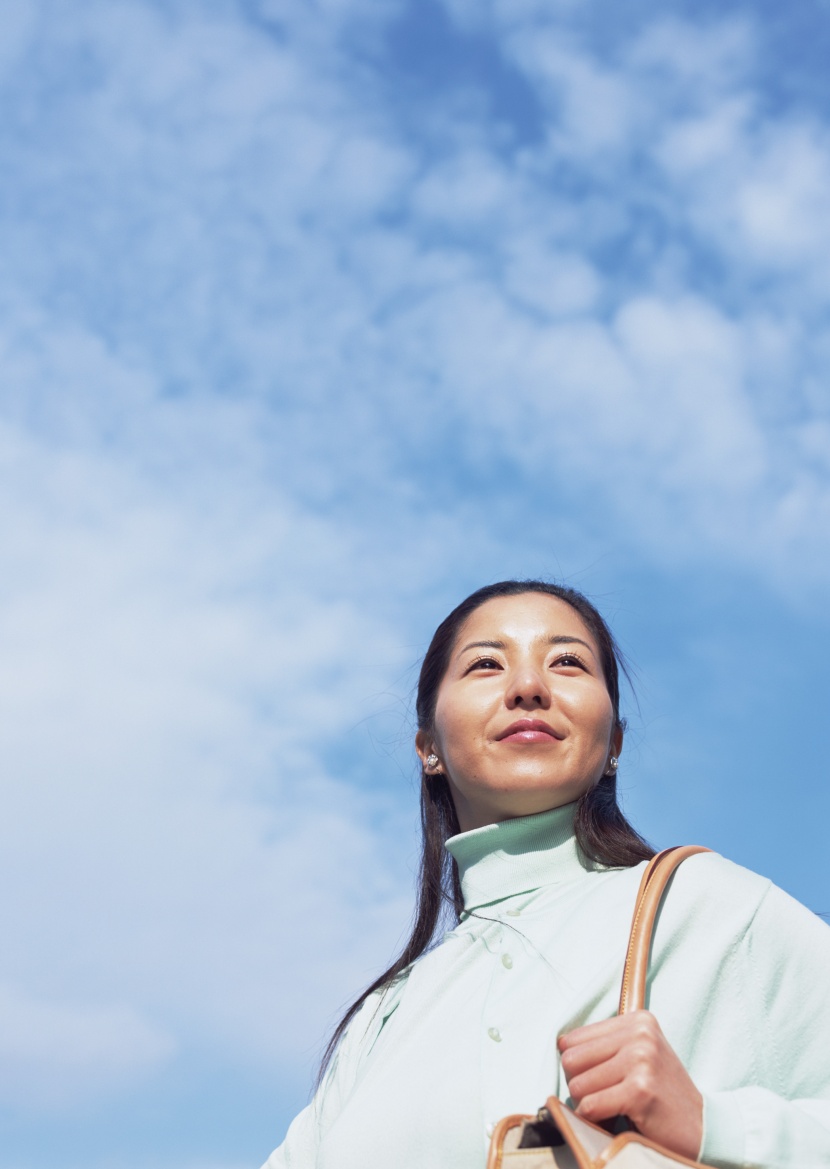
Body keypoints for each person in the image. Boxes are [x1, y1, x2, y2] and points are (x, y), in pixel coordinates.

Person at [262, 580, 830, 1169]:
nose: (529, 687)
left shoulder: (711, 909)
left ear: (614, 743)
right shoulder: (380, 1023)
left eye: (567, 662)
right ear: (428, 748)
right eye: (486, 664)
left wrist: (716, 1124)